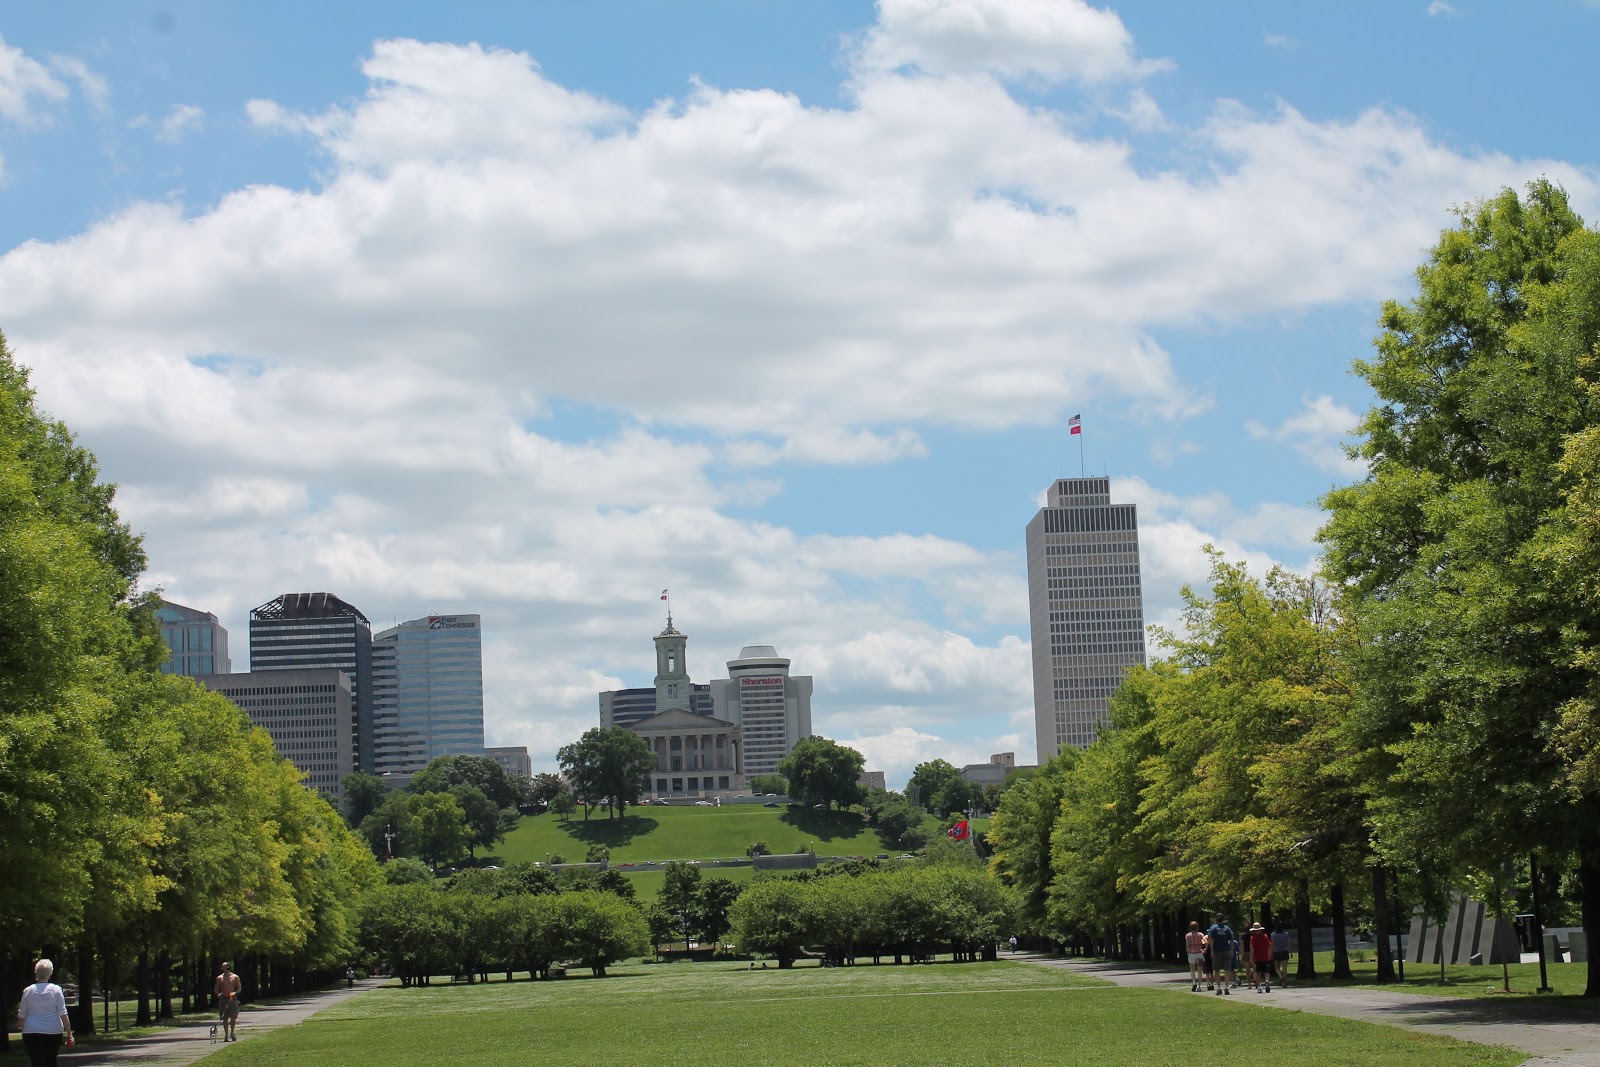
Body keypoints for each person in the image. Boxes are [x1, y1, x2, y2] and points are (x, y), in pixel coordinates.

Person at [16, 958, 74, 1067]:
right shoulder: (56, 990)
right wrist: (69, 1034)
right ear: (50, 973)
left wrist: (20, 1027)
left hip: (32, 1031)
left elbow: (22, 1014)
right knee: (51, 1061)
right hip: (53, 1031)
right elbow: (63, 1013)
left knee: (36, 1062)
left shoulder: (28, 991)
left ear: (36, 972)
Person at [1206, 915, 1236, 995]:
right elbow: (1232, 939)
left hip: (1217, 951)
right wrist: (1232, 950)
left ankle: (1219, 987)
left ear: (1216, 919)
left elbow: (1211, 940)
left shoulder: (1213, 928)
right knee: (1227, 970)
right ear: (1223, 919)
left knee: (1216, 970)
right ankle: (1226, 987)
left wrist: (1211, 951)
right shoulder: (1227, 929)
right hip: (1226, 951)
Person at [215, 961, 243, 1042]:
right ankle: (226, 1035)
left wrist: (234, 993)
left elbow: (239, 988)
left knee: (233, 1017)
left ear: (228, 967)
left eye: (224, 967)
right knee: (225, 1018)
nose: (222, 968)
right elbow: (216, 989)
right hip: (223, 1000)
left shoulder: (235, 977)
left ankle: (232, 1033)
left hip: (232, 999)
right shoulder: (219, 978)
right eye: (222, 967)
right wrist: (218, 994)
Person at [1249, 922, 1274, 991]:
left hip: (1257, 957)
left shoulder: (1253, 938)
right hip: (1265, 956)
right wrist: (1269, 954)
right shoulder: (1265, 936)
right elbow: (1269, 946)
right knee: (1266, 971)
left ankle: (1259, 986)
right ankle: (1267, 981)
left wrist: (1251, 957)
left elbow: (1252, 948)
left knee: (1258, 972)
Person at [1184, 921, 1207, 992]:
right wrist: (1205, 949)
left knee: (1192, 970)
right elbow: (1206, 942)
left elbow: (1187, 946)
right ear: (1197, 927)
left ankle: (1194, 982)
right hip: (1199, 953)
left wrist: (1188, 952)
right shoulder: (1201, 934)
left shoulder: (1188, 935)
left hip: (1192, 953)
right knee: (1199, 971)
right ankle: (1199, 986)